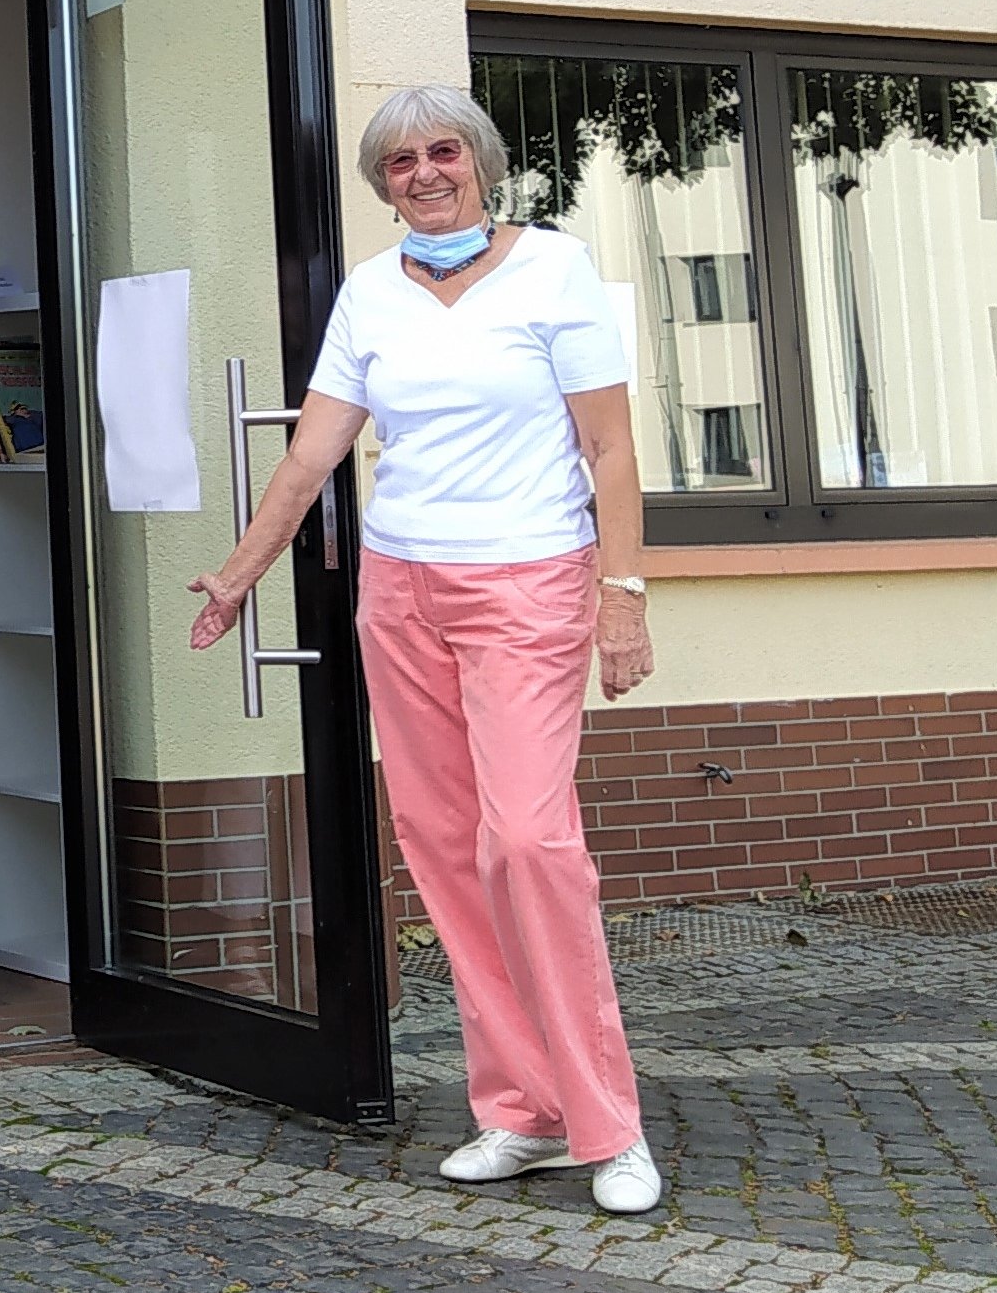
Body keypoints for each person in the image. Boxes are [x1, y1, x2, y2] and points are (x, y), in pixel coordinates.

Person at [184, 83, 668, 1218]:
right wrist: (242, 569)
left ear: (482, 161)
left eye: (441, 151)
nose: (423, 172)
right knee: (446, 849)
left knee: (531, 842)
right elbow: (312, 455)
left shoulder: (555, 270)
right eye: (398, 162)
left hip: (529, 581)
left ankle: (609, 1123)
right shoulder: (367, 291)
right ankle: (521, 1107)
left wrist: (625, 595)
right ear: (381, 183)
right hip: (401, 591)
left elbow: (609, 448)